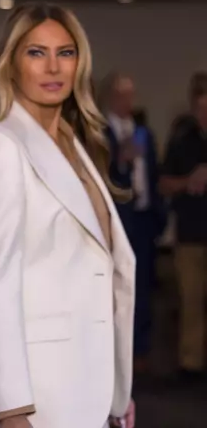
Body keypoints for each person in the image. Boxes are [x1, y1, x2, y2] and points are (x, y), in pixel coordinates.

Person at [0, 3, 136, 428]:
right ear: (11, 65)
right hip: (39, 395)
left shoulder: (76, 144)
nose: (53, 67)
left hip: (93, 387)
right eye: (36, 53)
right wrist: (13, 412)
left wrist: (118, 392)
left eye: (65, 53)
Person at [100, 71, 166, 373]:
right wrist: (119, 160)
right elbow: (98, 176)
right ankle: (113, 351)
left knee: (143, 288)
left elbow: (154, 173)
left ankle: (139, 350)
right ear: (111, 97)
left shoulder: (143, 132)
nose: (128, 101)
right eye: (122, 95)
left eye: (131, 95)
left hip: (143, 218)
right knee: (115, 287)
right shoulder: (100, 133)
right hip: (117, 219)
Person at [160, 71, 207, 381]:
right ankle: (191, 364)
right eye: (201, 108)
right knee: (190, 301)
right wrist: (188, 181)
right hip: (190, 234)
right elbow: (163, 184)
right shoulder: (181, 141)